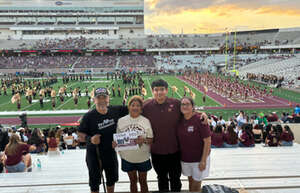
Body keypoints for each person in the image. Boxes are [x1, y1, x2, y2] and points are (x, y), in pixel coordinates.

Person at [143, 79, 207, 192]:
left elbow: (188, 111)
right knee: (161, 178)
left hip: (175, 150)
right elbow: (133, 113)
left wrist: (202, 114)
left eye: (162, 89)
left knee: (175, 179)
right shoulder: (147, 106)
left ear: (166, 90)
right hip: (156, 151)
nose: (159, 92)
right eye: (156, 90)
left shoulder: (176, 103)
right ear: (152, 91)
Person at [78, 87, 128, 193]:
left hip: (110, 152)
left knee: (111, 180)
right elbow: (80, 135)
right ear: (94, 100)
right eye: (98, 98)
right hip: (94, 155)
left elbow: (134, 108)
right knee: (95, 183)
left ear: (108, 98)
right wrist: (90, 139)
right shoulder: (88, 116)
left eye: (104, 97)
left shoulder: (116, 110)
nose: (101, 100)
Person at [113, 96, 153, 193]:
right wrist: (115, 144)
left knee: (143, 182)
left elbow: (151, 139)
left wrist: (143, 140)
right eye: (133, 105)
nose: (135, 107)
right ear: (129, 107)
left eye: (138, 105)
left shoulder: (145, 121)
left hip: (143, 157)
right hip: (127, 158)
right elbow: (117, 139)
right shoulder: (121, 121)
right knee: (132, 181)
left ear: (141, 108)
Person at [177, 97, 211, 192]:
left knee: (196, 186)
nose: (185, 106)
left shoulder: (200, 119)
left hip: (199, 159)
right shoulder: (179, 120)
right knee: (190, 182)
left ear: (193, 107)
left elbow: (207, 141)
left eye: (187, 104)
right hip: (185, 159)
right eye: (182, 104)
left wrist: (203, 160)